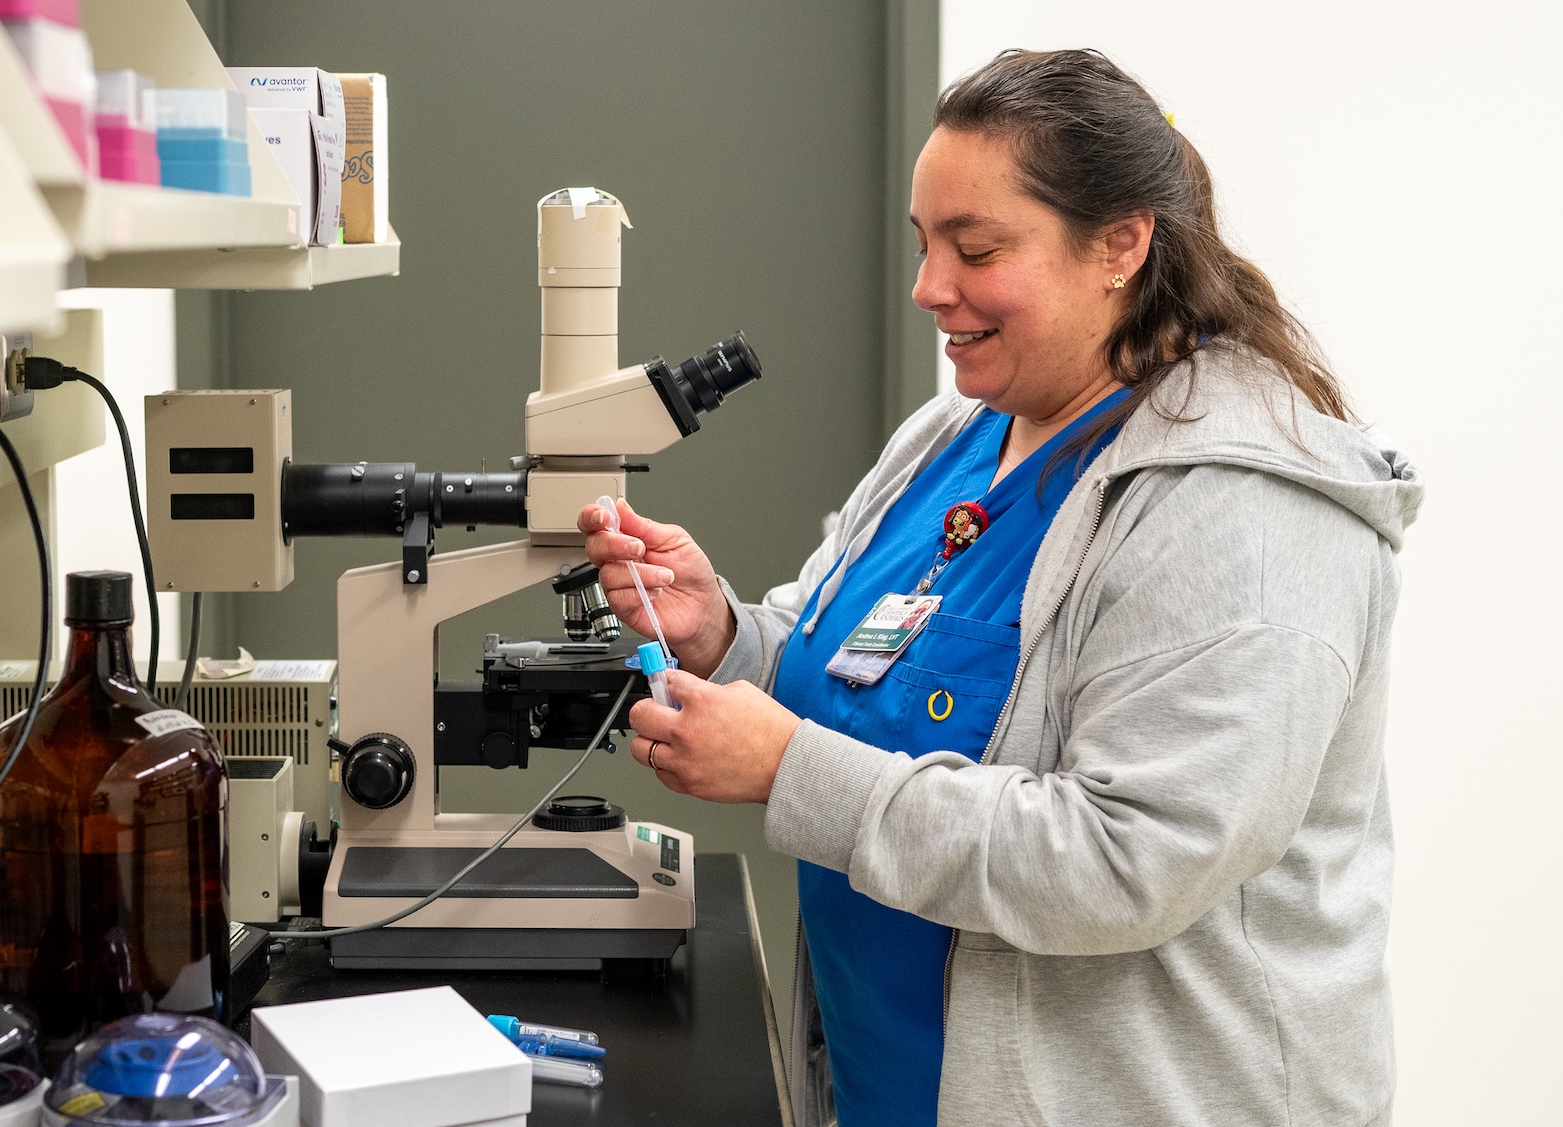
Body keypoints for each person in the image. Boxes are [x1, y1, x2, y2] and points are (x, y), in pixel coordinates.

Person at [579, 49, 1421, 1127]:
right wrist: (730, 638)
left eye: (974, 249)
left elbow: (1124, 860)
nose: (931, 287)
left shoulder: (1246, 515)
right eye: (924, 244)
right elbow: (862, 666)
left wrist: (788, 769)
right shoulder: (958, 434)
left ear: (1119, 244)